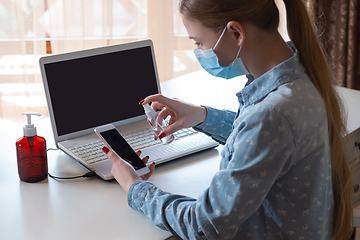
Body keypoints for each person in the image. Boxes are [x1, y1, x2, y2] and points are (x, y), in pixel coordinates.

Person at [102, 0, 354, 239]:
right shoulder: (297, 78)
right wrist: (201, 116)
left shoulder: (271, 114)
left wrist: (135, 188)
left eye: (200, 43)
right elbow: (261, 137)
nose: (199, 52)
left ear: (235, 33)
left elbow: (204, 226)